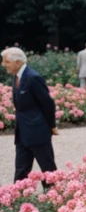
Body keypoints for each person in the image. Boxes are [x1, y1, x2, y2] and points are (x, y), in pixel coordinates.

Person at [2, 47, 59, 183]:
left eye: (6, 62)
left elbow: (48, 104)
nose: (4, 65)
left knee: (47, 169)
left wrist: (51, 126)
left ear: (17, 62)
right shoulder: (16, 76)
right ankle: (18, 198)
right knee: (21, 169)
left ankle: (55, 197)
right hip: (22, 132)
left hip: (37, 131)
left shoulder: (33, 77)